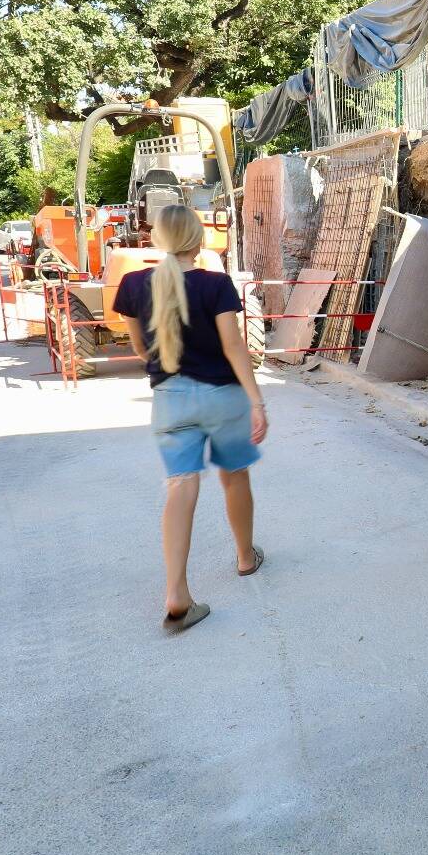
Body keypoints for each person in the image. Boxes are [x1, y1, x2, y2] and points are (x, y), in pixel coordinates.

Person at [110, 204, 268, 633]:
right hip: (223, 397)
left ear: (158, 239)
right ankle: (245, 557)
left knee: (181, 485)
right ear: (198, 240)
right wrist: (256, 400)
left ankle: (177, 593)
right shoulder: (216, 284)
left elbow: (142, 351)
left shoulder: (134, 283)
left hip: (170, 399)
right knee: (235, 476)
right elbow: (234, 346)